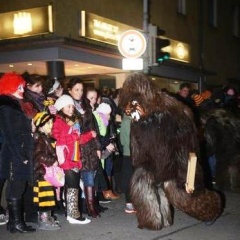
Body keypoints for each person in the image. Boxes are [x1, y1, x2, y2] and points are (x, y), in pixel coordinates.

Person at [0, 72, 36, 233]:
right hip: (15, 153)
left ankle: (14, 223)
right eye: (18, 86)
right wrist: (21, 156)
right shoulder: (7, 107)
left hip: (20, 151)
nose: (22, 89)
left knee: (18, 187)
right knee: (16, 187)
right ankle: (16, 222)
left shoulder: (17, 104)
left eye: (22, 86)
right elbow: (9, 135)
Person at [52, 94, 96, 224]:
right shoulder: (58, 121)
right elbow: (58, 140)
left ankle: (72, 214)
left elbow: (78, 140)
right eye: (68, 106)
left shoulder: (69, 121)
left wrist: (89, 135)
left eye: (72, 106)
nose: (71, 108)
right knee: (72, 187)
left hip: (73, 159)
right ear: (61, 107)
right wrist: (75, 136)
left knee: (73, 186)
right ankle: (73, 215)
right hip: (67, 160)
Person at [32, 112, 61, 231]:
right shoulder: (40, 138)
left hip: (45, 173)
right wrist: (52, 160)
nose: (51, 125)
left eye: (51, 123)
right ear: (41, 125)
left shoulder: (45, 138)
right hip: (42, 173)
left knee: (48, 196)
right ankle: (44, 219)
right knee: (45, 198)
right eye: (48, 123)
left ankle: (47, 217)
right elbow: (38, 155)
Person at [93, 103, 119, 200]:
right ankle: (102, 194)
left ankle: (103, 193)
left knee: (103, 170)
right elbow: (98, 135)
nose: (109, 116)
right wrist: (107, 143)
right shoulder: (97, 119)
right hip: (99, 148)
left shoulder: (103, 120)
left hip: (103, 148)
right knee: (99, 173)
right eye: (107, 114)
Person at [120, 114, 136, 214]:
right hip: (129, 153)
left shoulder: (133, 120)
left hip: (136, 153)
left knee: (134, 178)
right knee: (129, 178)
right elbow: (124, 141)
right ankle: (129, 203)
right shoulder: (127, 121)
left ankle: (134, 201)